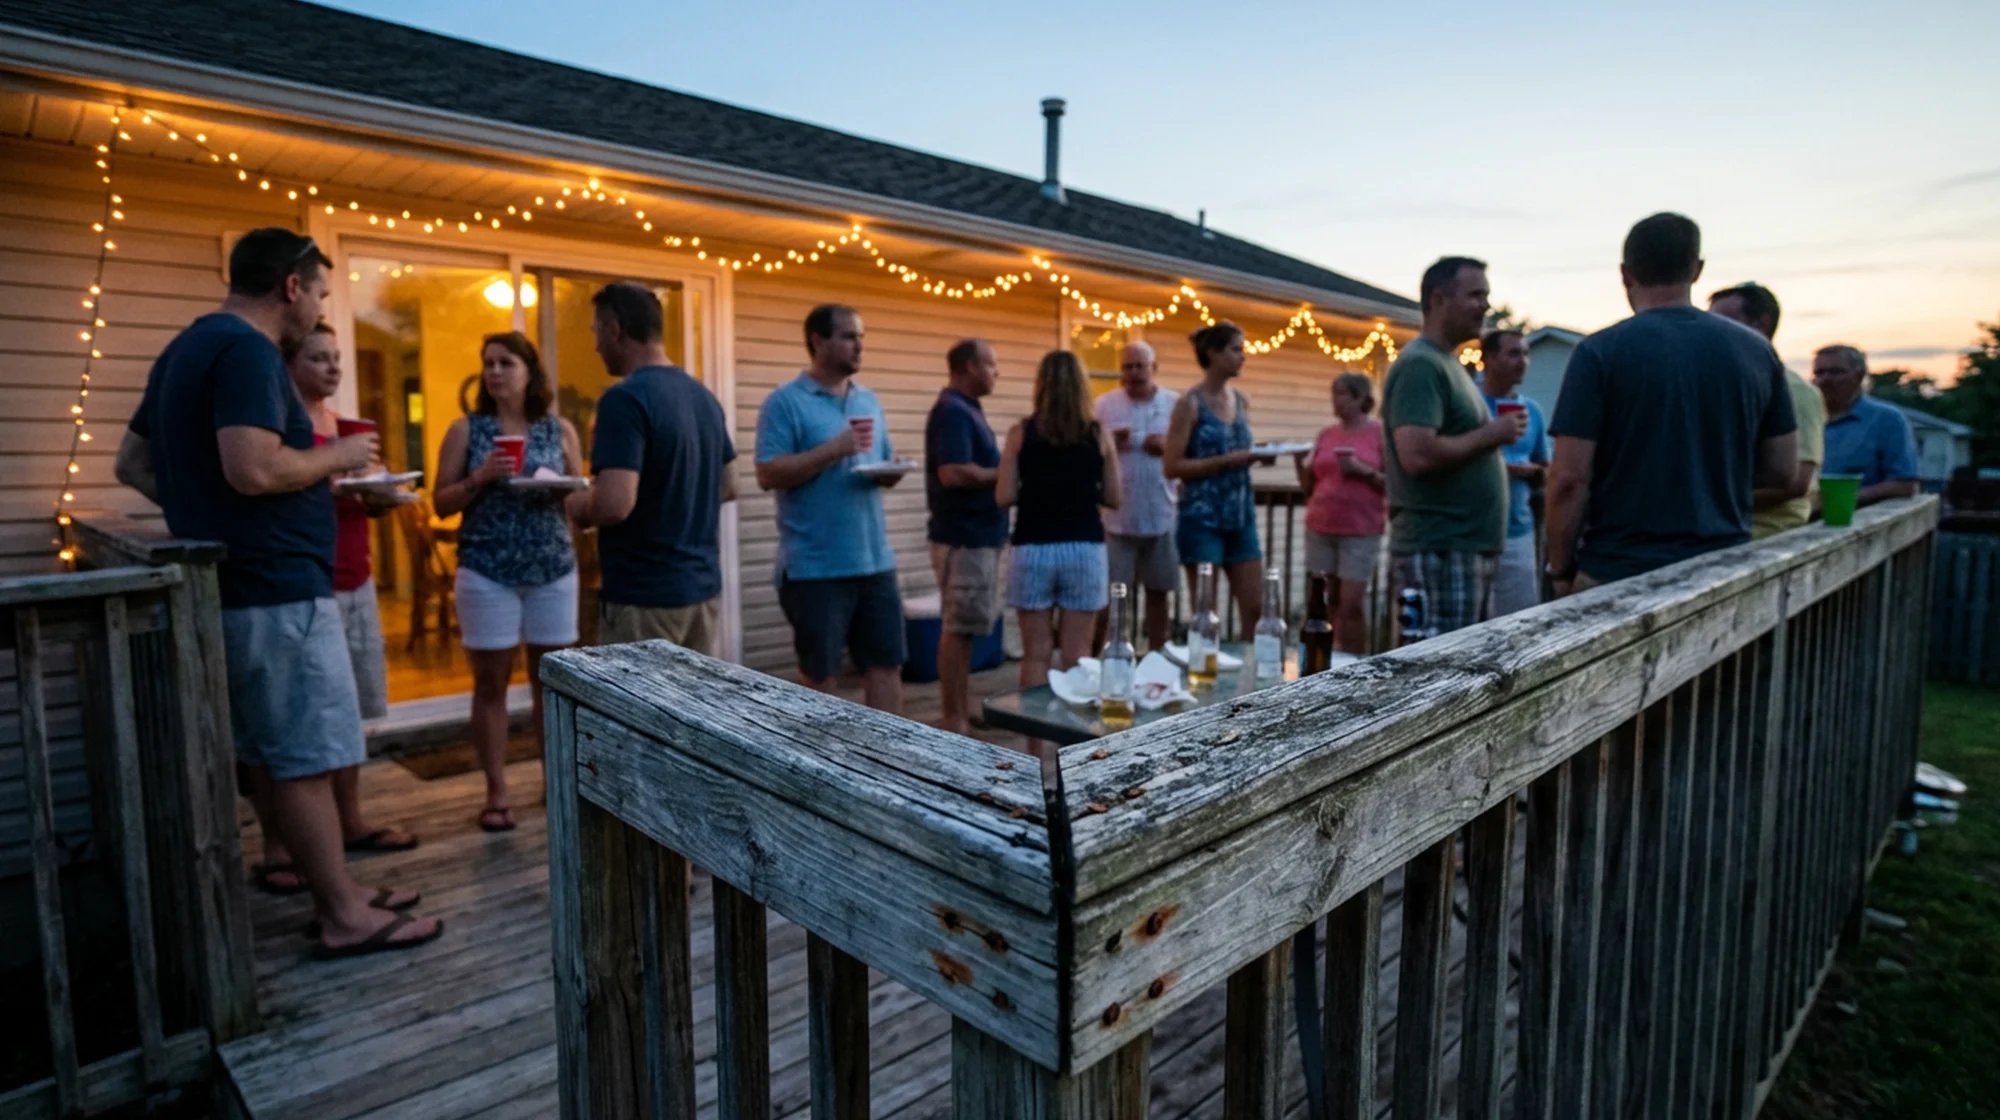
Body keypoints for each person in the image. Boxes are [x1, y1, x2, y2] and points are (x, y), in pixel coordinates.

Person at [113, 227, 439, 957]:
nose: (320, 303)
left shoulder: (185, 348)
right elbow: (254, 470)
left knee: (275, 751)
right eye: (320, 290)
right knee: (302, 756)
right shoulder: (249, 353)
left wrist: (207, 512)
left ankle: (343, 894)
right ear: (291, 286)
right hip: (277, 590)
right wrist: (339, 456)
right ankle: (344, 915)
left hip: (242, 586)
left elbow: (131, 463)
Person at [1545, 213, 1798, 596]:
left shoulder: (1599, 353)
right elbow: (1783, 471)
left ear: (1626, 273)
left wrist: (1560, 570)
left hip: (1618, 576)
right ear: (1696, 269)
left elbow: (1567, 478)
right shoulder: (1757, 352)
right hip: (1721, 571)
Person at [432, 332, 583, 833]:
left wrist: (572, 490)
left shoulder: (559, 429)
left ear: (529, 372)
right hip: (487, 570)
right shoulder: (465, 430)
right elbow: (441, 503)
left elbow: (577, 498)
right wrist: (479, 477)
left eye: (506, 363)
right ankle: (496, 791)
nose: (494, 372)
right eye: (488, 363)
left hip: (553, 570)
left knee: (552, 686)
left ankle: (555, 780)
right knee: (491, 684)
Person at [277, 321, 416, 861]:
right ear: (290, 365)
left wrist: (378, 496)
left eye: (336, 357)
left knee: (351, 709)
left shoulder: (343, 426)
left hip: (357, 576)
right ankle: (283, 845)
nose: (334, 367)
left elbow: (357, 500)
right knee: (307, 717)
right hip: (311, 583)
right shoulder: (287, 431)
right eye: (318, 358)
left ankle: (351, 821)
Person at [566, 282, 736, 652]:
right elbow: (728, 485)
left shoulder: (624, 400)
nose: (596, 346)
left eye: (597, 333)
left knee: (637, 709)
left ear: (615, 330)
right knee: (692, 707)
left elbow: (614, 504)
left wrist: (576, 504)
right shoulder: (703, 397)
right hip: (701, 592)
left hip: (644, 596)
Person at [755, 304, 906, 713]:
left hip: (874, 560)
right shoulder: (785, 403)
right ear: (818, 341)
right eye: (848, 336)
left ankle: (889, 762)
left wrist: (891, 471)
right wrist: (833, 449)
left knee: (887, 666)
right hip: (815, 568)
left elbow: (882, 460)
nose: (859, 345)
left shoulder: (868, 400)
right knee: (820, 677)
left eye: (862, 336)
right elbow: (768, 473)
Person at [1380, 257, 1518, 636]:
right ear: (1439, 299)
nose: (1486, 306)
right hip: (1438, 552)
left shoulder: (1450, 363)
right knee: (1437, 676)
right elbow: (1416, 453)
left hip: (1462, 550)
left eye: (1486, 296)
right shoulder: (1420, 365)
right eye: (1475, 295)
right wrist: (1493, 434)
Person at [996, 350, 1121, 710]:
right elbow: (1114, 496)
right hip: (1084, 547)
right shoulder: (1098, 434)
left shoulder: (1021, 433)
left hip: (1032, 547)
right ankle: (1073, 750)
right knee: (1078, 657)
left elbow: (1003, 495)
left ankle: (1035, 749)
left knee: (1035, 655)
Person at [1164, 321, 1273, 638]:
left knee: (1256, 609)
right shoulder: (1190, 404)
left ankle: (1256, 682)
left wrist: (1258, 455)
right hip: (1202, 519)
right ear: (1213, 353)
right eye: (1236, 349)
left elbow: (1240, 452)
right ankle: (1207, 681)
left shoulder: (1241, 400)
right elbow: (1171, 466)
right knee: (1205, 614)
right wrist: (1228, 460)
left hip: (1240, 517)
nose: (1243, 356)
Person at [923, 338, 1006, 735]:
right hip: (963, 537)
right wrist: (1007, 475)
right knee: (957, 629)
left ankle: (961, 706)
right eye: (991, 365)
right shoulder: (952, 412)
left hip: (977, 536)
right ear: (971, 366)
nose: (996, 372)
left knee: (967, 628)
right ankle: (952, 718)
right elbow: (952, 472)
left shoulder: (967, 409)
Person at [1708, 283, 1824, 537]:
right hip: (1719, 529)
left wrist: (1703, 503)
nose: (1711, 331)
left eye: (1723, 322)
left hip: (1766, 536)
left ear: (1761, 324)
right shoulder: (1721, 384)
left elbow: (1797, 483)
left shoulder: (1796, 390)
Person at [1093, 341, 1180, 650]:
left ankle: (1158, 656)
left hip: (1161, 514)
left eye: (1139, 366)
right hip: (1117, 520)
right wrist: (1108, 443)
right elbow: (1088, 454)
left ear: (1153, 368)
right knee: (1113, 596)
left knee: (1158, 593)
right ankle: (1109, 654)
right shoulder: (1104, 405)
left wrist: (1168, 446)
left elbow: (1189, 450)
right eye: (1127, 366)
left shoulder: (1174, 403)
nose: (1132, 373)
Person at [1294, 373, 1386, 653]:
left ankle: (1355, 661)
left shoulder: (1379, 433)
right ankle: (1323, 657)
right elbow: (1309, 486)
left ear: (1362, 398)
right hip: (1320, 526)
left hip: (1361, 530)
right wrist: (1300, 463)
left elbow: (1393, 483)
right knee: (1323, 600)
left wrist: (1362, 470)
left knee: (1352, 603)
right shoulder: (1327, 434)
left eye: (1343, 393)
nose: (1337, 400)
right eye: (1334, 393)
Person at [1477, 329, 1552, 615]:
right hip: (1473, 531)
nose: (1522, 361)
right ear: (1490, 359)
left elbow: (1547, 469)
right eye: (1513, 353)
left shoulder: (1531, 411)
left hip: (1518, 530)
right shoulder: (1470, 402)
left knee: (1517, 619)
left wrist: (1532, 471)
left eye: (1525, 353)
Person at [1814, 343, 1920, 507]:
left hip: (1855, 521)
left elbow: (1905, 484)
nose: (1825, 379)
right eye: (1819, 373)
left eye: (1836, 372)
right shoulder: (1805, 418)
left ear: (1859, 375)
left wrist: (1843, 498)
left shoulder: (1886, 419)